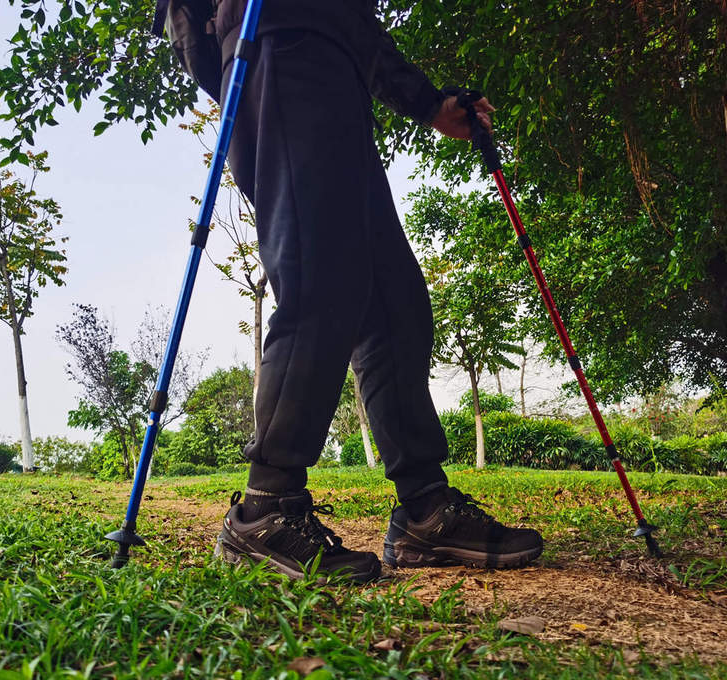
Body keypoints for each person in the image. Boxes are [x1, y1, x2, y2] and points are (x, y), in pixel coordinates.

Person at [157, 0, 543, 582]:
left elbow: (352, 20)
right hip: (279, 55)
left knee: (395, 303)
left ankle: (425, 508)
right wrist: (238, 56)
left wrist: (427, 101)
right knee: (320, 280)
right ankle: (265, 507)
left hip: (336, 77)